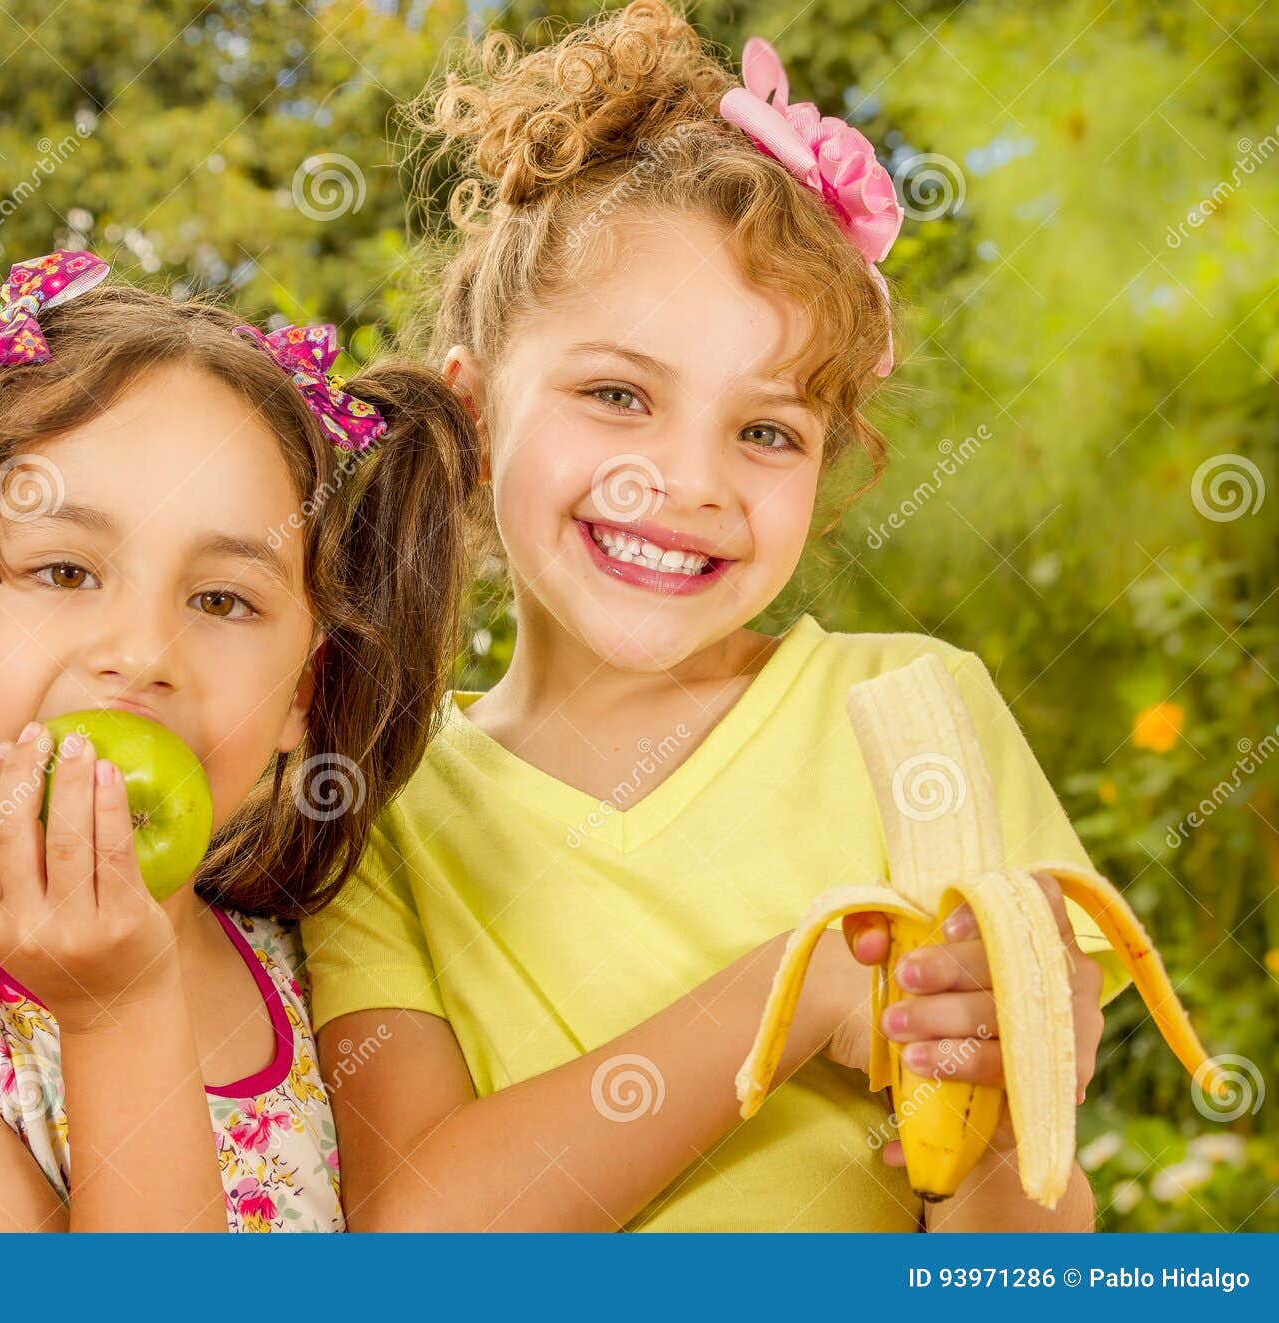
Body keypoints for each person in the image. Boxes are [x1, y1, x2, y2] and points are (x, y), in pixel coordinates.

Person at [302, 2, 1126, 1232]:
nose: (687, 483)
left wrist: (1012, 1110)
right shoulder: (375, 803)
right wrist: (796, 999)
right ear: (471, 415)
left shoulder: (911, 714)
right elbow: (420, 1235)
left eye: (764, 431)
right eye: (618, 392)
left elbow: (1026, 1240)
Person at [0, 250, 482, 1231]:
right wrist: (118, 1016)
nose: (143, 654)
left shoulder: (334, 968)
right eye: (63, 573)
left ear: (300, 695)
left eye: (222, 598)